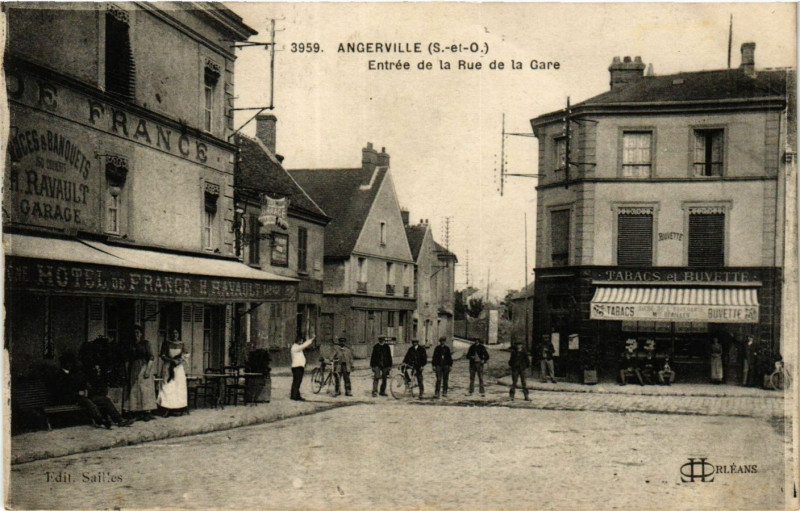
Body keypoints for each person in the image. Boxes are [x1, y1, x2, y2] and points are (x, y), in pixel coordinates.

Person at [53, 352, 132, 428]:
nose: (70, 364)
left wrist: (86, 390)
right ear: (63, 363)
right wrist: (77, 393)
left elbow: (81, 385)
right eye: (68, 362)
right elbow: (62, 391)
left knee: (105, 400)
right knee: (89, 402)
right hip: (70, 399)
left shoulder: (73, 373)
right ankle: (101, 420)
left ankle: (119, 420)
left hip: (82, 397)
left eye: (71, 362)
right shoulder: (59, 375)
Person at [126, 325, 156, 421]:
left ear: (141, 334)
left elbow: (151, 357)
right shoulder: (131, 345)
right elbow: (128, 359)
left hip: (144, 366)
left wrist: (147, 370)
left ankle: (146, 412)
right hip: (134, 367)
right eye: (134, 333)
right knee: (135, 389)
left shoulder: (146, 344)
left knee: (145, 390)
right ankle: (136, 411)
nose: (136, 335)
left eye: (138, 333)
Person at [157, 329, 189, 416]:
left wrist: (180, 360)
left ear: (179, 334)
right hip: (168, 366)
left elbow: (185, 355)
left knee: (178, 387)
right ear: (170, 334)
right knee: (167, 386)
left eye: (176, 333)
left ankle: (177, 408)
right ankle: (166, 409)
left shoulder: (181, 344)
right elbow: (162, 355)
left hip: (178, 368)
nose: (175, 335)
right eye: (173, 333)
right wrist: (171, 360)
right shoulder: (166, 343)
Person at [290, 334, 315, 401]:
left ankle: (295, 395)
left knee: (297, 381)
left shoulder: (297, 347)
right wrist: (311, 340)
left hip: (299, 366)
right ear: (297, 341)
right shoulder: (295, 347)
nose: (301, 342)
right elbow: (304, 346)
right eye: (301, 341)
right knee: (297, 381)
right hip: (297, 367)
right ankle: (294, 396)